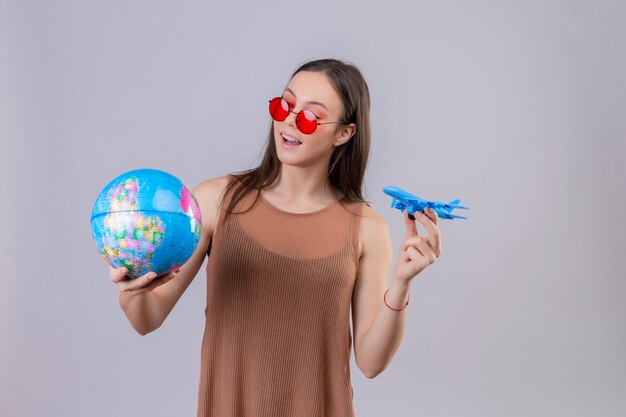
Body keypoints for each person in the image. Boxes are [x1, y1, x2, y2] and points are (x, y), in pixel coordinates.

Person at [109, 58, 441, 417]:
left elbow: (372, 363)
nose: (288, 120)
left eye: (310, 116)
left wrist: (402, 283)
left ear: (344, 133)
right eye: (285, 104)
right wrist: (133, 287)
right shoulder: (215, 201)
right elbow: (147, 319)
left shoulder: (366, 227)